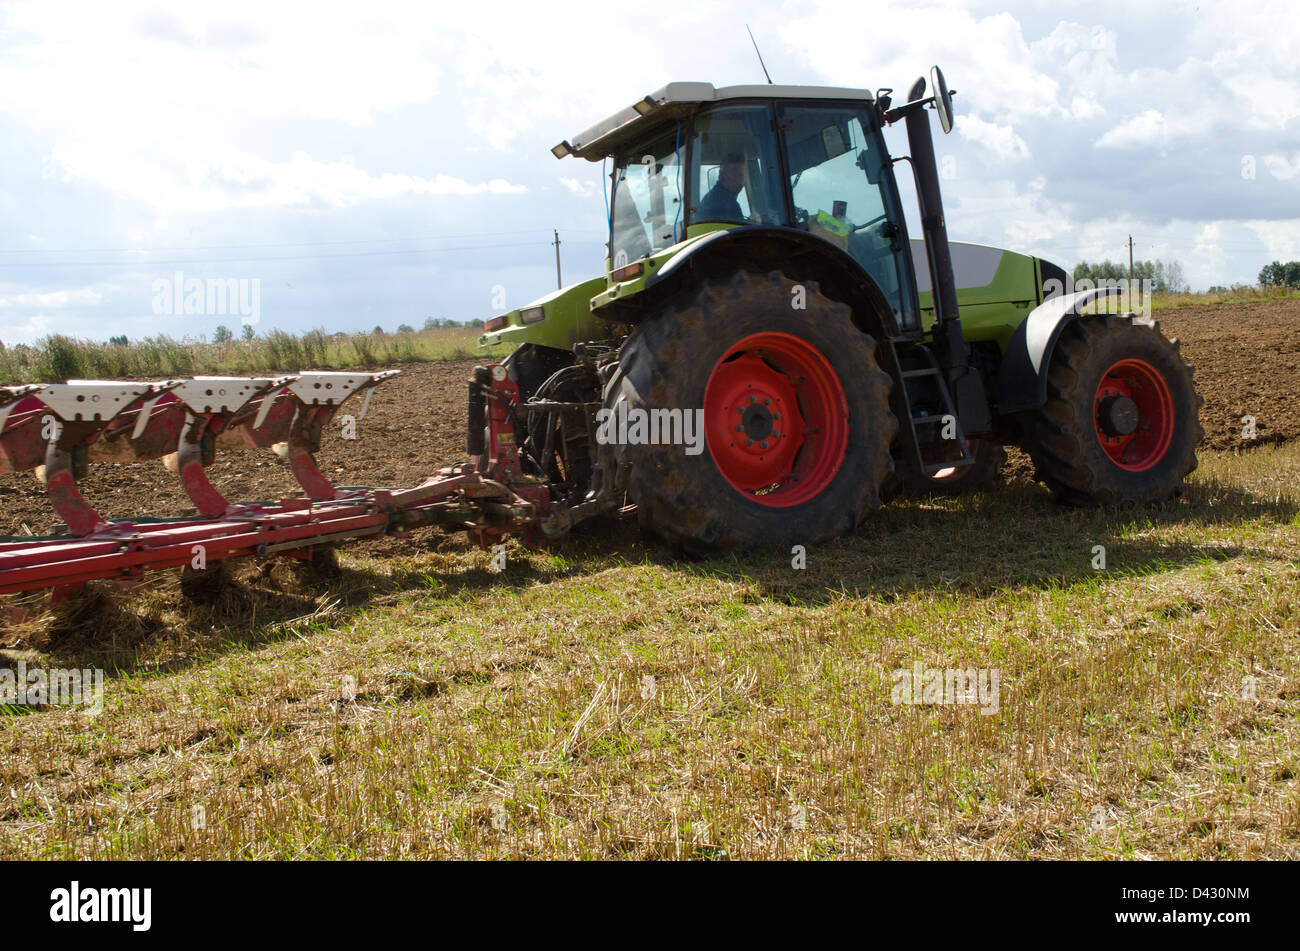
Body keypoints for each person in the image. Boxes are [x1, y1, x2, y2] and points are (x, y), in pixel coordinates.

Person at [697, 153, 748, 223]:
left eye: (741, 174)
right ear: (722, 175)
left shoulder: (715, 197)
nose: (739, 179)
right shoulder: (724, 204)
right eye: (734, 173)